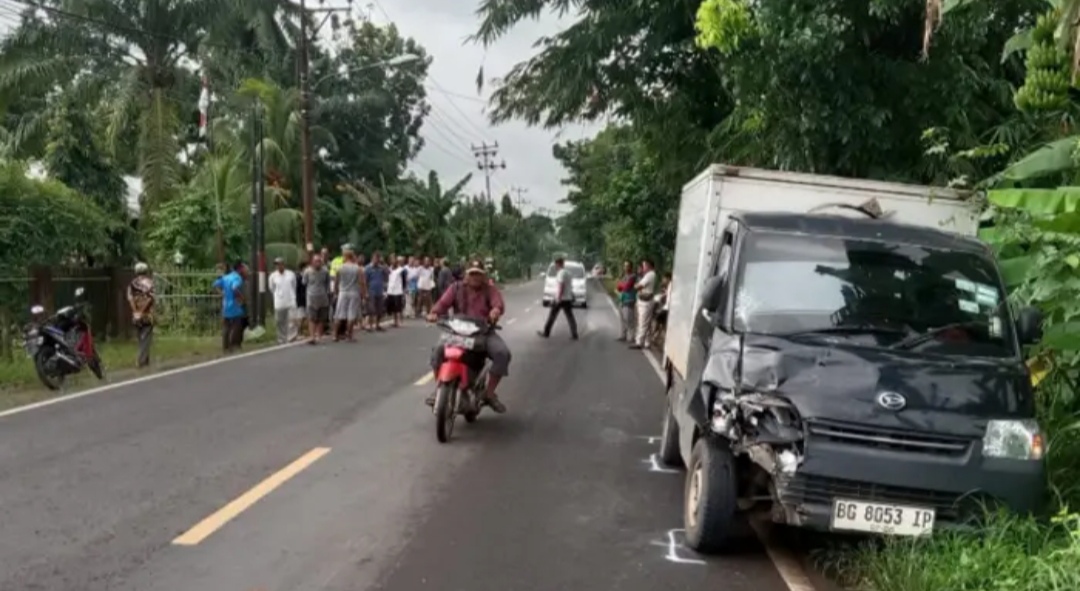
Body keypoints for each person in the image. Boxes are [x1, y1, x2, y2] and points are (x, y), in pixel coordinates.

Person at [426, 260, 511, 412]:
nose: (475, 277)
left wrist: (495, 311)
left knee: (502, 353)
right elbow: (443, 303)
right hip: (457, 331)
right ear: (466, 275)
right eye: (472, 274)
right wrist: (434, 313)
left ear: (483, 276)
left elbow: (498, 304)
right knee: (438, 350)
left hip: (482, 331)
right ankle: (438, 388)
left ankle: (489, 393)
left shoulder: (489, 290)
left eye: (478, 274)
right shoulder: (456, 287)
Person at [538, 256, 579, 340]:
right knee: (570, 317)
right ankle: (574, 334)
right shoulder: (568, 273)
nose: (555, 266)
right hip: (568, 298)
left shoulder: (561, 273)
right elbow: (570, 286)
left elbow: (561, 286)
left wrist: (558, 298)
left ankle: (546, 332)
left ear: (558, 264)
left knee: (552, 316)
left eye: (556, 265)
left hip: (561, 299)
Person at [212, 261, 247, 353]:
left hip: (226, 305)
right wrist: (241, 298)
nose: (244, 270)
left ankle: (225, 347)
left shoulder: (226, 277)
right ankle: (233, 345)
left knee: (226, 326)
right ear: (239, 268)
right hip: (234, 305)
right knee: (236, 326)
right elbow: (234, 288)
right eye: (243, 268)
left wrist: (222, 293)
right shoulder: (237, 278)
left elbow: (215, 284)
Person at [127, 262, 155, 368]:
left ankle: (146, 361)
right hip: (147, 315)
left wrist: (136, 312)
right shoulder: (149, 283)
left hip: (136, 315)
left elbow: (130, 299)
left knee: (140, 338)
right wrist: (142, 312)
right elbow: (150, 298)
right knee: (146, 339)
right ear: (146, 271)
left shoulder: (132, 284)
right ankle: (141, 361)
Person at [333, 249, 363, 341]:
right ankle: (349, 335)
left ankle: (335, 335)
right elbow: (361, 282)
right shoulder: (357, 268)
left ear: (345, 257)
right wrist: (363, 293)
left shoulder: (340, 268)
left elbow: (336, 282)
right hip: (354, 292)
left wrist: (335, 292)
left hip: (343, 292)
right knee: (351, 314)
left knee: (339, 314)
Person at [269, 257, 297, 344]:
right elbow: (271, 288)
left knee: (292, 320)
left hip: (290, 300)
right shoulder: (273, 276)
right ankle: (281, 338)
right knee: (280, 321)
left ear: (283, 264)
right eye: (277, 264)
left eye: (280, 264)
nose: (278, 266)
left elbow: (294, 286)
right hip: (279, 302)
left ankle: (291, 337)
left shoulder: (291, 274)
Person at [631, 258, 658, 350]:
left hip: (646, 301)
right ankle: (647, 342)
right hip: (643, 300)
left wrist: (636, 286)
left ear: (648, 266)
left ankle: (639, 342)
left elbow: (639, 286)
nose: (643, 268)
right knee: (646, 322)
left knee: (643, 322)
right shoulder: (647, 275)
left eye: (644, 266)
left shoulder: (650, 275)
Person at [304, 255, 331, 344]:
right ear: (312, 262)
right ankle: (312, 336)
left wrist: (327, 292)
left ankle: (319, 335)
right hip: (311, 297)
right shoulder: (307, 271)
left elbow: (327, 283)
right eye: (316, 261)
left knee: (321, 318)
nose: (318, 263)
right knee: (311, 318)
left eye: (319, 261)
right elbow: (305, 282)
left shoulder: (325, 271)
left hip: (322, 297)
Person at [364, 251, 388, 331]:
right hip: (371, 291)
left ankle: (377, 324)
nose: (377, 261)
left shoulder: (381, 268)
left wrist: (384, 264)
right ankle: (369, 325)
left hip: (379, 291)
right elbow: (365, 281)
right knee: (371, 309)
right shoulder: (367, 268)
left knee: (379, 309)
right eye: (375, 259)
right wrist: (366, 292)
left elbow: (386, 276)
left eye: (378, 259)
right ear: (372, 259)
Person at [615, 260, 637, 342]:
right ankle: (623, 335)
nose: (625, 267)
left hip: (629, 299)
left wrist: (621, 285)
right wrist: (621, 285)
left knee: (629, 319)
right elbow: (618, 287)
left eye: (627, 266)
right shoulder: (624, 276)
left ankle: (631, 336)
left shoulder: (632, 276)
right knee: (622, 318)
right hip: (623, 299)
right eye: (624, 266)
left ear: (631, 267)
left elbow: (626, 287)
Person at [386, 256, 407, 327]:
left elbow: (404, 281)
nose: (392, 262)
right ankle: (395, 321)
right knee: (392, 307)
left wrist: (404, 289)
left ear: (396, 262)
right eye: (391, 260)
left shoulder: (401, 270)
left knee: (398, 307)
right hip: (390, 290)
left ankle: (399, 321)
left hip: (398, 290)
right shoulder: (389, 269)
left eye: (394, 260)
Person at [293, 261, 308, 341]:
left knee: (304, 316)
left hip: (306, 299)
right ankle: (298, 332)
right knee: (301, 317)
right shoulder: (298, 277)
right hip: (300, 300)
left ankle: (302, 332)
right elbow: (297, 290)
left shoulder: (305, 276)